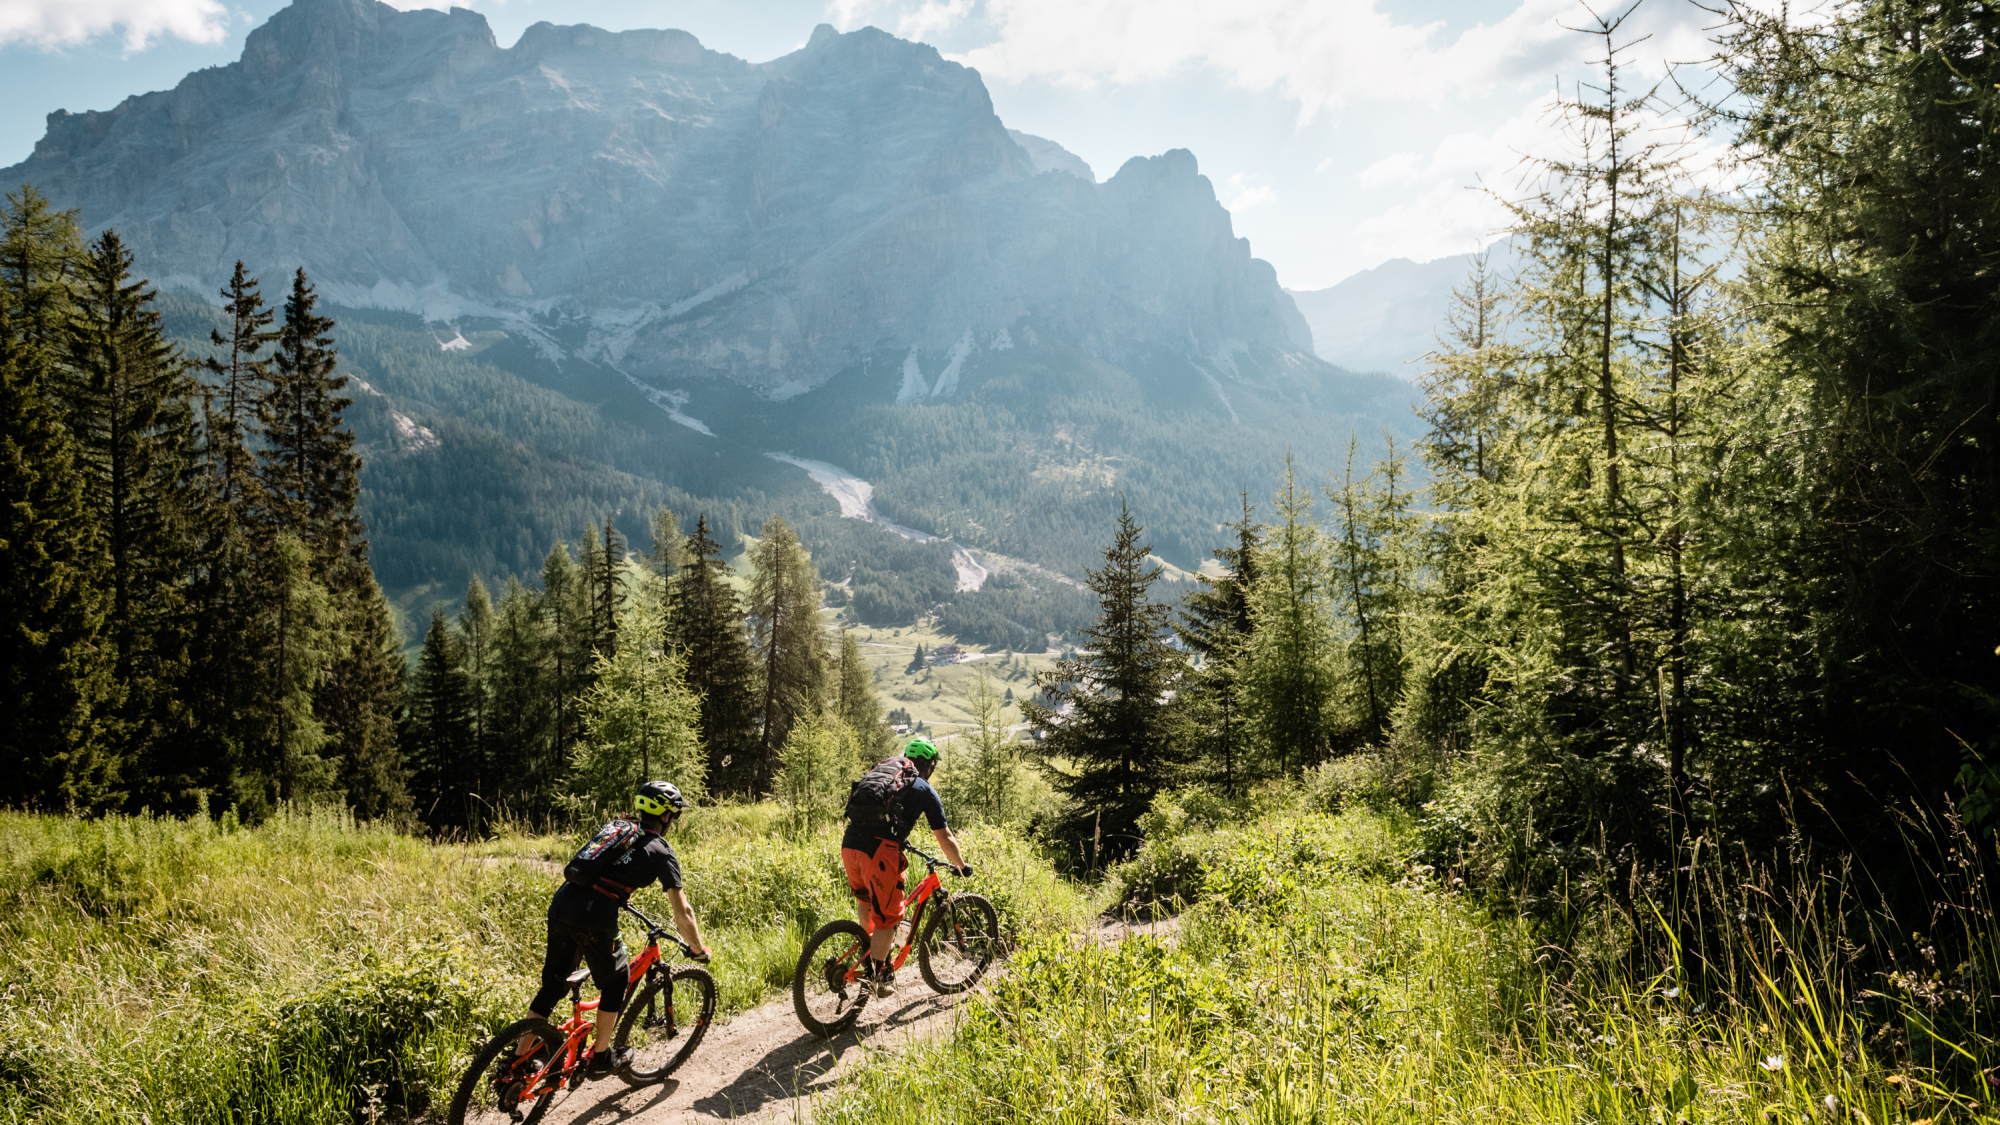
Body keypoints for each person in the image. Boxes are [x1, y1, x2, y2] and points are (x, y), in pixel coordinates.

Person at [525, 780, 711, 1075]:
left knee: (552, 986)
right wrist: (698, 950)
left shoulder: (620, 828)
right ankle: (600, 1058)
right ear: (666, 816)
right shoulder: (661, 849)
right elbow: (683, 911)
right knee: (616, 982)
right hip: (593, 914)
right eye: (673, 815)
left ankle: (519, 1060)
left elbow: (603, 869)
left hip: (563, 901)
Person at [839, 737, 971, 998]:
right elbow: (945, 837)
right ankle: (877, 976)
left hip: (850, 843)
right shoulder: (924, 788)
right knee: (888, 919)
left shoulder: (887, 774)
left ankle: (871, 950)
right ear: (929, 765)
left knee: (866, 899)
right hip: (878, 852)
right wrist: (961, 865)